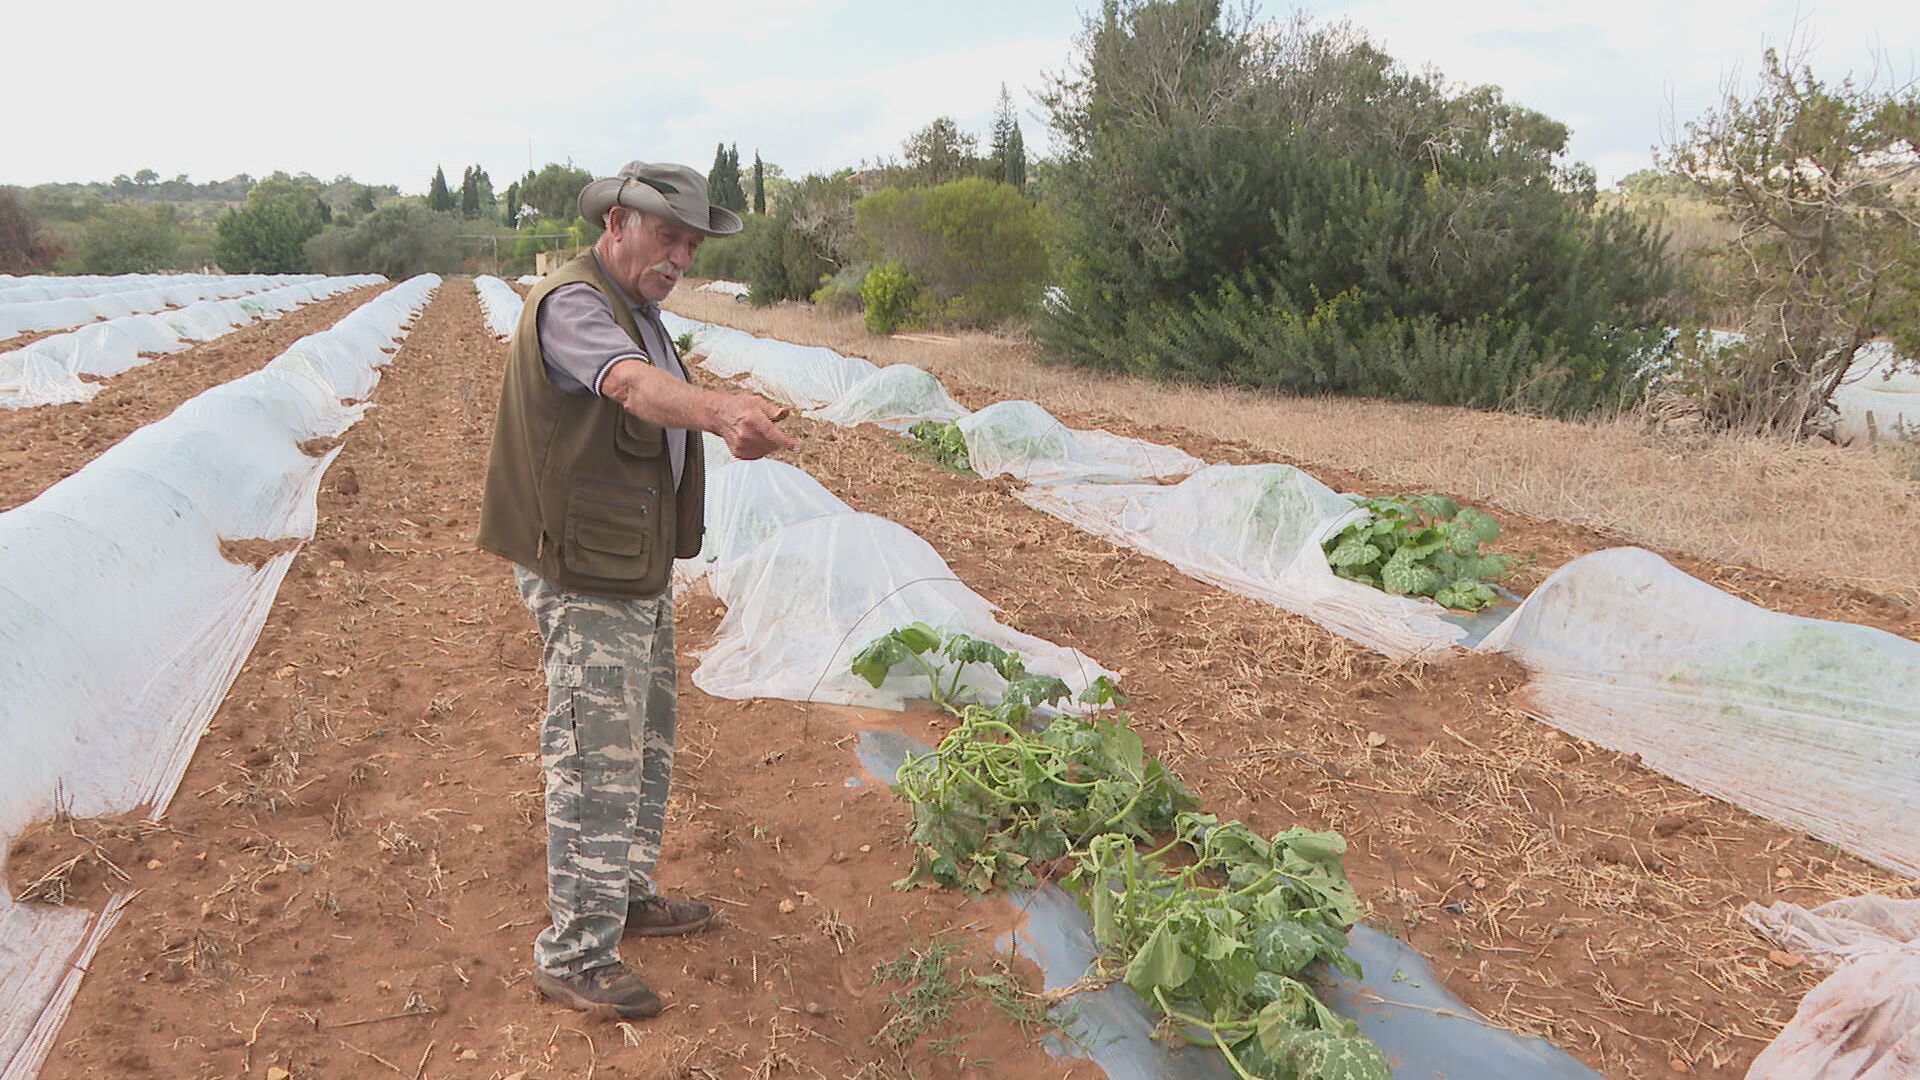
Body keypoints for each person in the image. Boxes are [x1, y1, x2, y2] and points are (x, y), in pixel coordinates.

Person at [476, 160, 796, 1018]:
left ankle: (621, 895)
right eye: (667, 236)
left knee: (646, 739)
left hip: (628, 560)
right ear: (616, 222)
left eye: (690, 243)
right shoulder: (575, 303)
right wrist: (722, 410)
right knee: (594, 749)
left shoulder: (644, 311)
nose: (680, 255)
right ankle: (576, 950)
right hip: (583, 568)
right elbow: (628, 386)